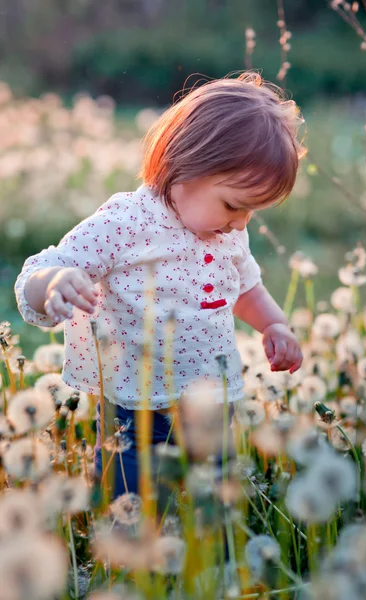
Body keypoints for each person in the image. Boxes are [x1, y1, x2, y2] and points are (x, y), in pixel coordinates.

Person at [15, 71, 306, 499]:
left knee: (214, 486)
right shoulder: (126, 222)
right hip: (137, 398)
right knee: (128, 483)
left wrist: (275, 325)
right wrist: (55, 281)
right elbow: (41, 271)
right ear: (185, 166)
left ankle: (210, 554)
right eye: (233, 205)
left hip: (211, 393)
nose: (241, 223)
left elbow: (244, 288)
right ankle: (127, 551)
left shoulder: (226, 232)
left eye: (251, 212)